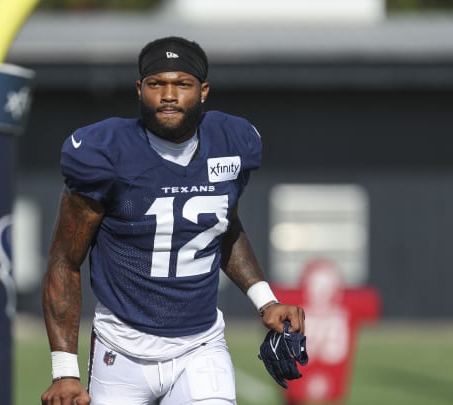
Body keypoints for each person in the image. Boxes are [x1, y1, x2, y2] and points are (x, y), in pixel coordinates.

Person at [41, 36, 306, 405]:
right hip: (121, 350)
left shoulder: (230, 142)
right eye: (157, 84)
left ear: (203, 91)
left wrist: (266, 300)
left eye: (181, 84)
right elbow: (64, 261)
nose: (168, 95)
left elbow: (223, 228)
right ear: (140, 89)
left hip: (200, 346)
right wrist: (64, 371)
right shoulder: (106, 153)